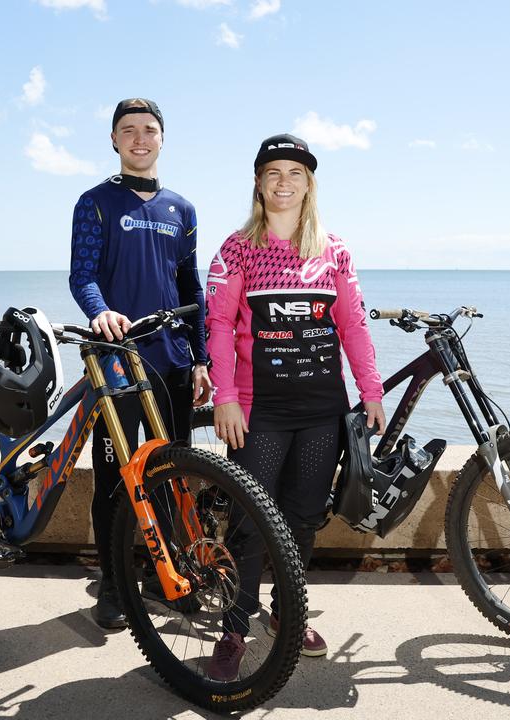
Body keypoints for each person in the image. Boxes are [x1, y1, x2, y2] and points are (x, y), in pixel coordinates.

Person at [203, 133, 386, 680]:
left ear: (310, 184)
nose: (284, 183)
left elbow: (352, 325)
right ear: (258, 183)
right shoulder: (237, 248)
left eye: (295, 173)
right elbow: (217, 325)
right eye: (273, 173)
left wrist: (370, 391)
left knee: (303, 518)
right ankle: (235, 625)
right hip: (259, 411)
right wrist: (224, 397)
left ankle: (287, 614)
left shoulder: (334, 251)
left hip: (321, 412)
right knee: (249, 521)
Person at [68, 98, 213, 629]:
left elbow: (191, 288)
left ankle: (164, 570)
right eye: (127, 131)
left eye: (148, 130)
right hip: (116, 363)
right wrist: (100, 311)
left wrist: (201, 358)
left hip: (171, 361)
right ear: (113, 141)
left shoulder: (183, 209)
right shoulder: (95, 203)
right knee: (114, 478)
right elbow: (80, 275)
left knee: (175, 472)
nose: (139, 138)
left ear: (161, 138)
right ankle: (112, 581)